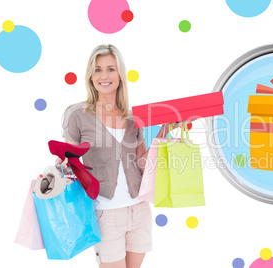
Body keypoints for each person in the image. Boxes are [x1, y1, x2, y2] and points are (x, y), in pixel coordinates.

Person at [56, 44, 190, 268]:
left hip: (138, 210)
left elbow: (141, 164)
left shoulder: (132, 117)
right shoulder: (77, 114)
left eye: (110, 69)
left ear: (120, 74)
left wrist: (166, 129)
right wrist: (62, 165)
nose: (104, 75)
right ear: (90, 75)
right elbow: (70, 160)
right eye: (97, 69)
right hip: (105, 213)